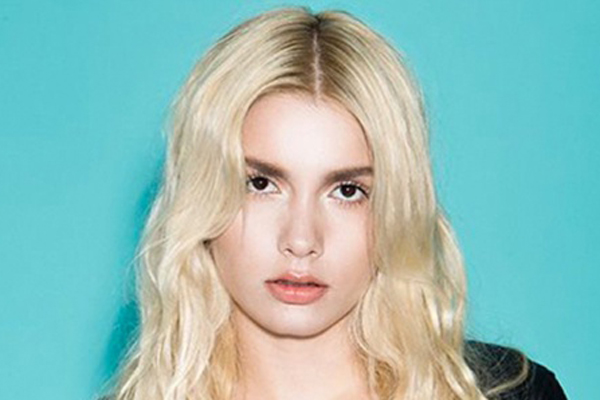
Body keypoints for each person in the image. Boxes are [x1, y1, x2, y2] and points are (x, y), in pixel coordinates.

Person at [104, 6, 567, 400]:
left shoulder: (511, 393)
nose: (301, 239)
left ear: (396, 208)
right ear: (202, 194)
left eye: (347, 191)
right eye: (260, 183)